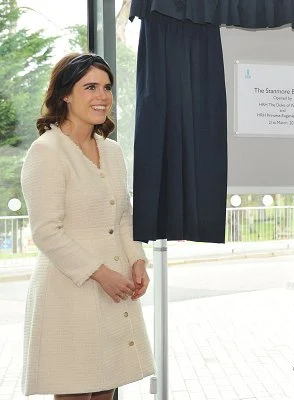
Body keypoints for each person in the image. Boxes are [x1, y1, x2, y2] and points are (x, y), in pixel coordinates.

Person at [20, 53, 155, 399]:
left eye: (107, 87)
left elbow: (123, 214)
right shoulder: (46, 151)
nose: (102, 96)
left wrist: (136, 259)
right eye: (90, 87)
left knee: (106, 389)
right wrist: (101, 273)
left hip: (115, 286)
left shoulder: (111, 151)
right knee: (77, 389)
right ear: (65, 93)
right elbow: (46, 232)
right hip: (71, 291)